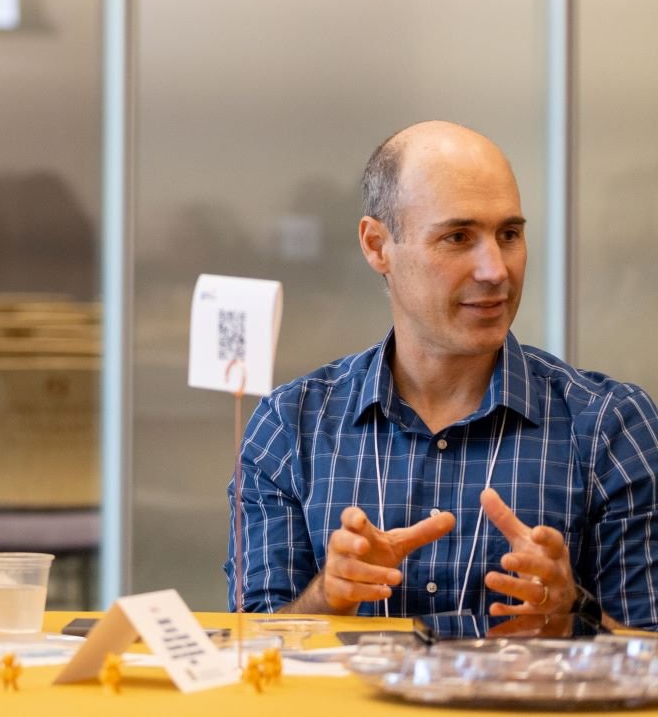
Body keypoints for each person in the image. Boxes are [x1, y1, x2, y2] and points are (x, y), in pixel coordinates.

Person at [228, 121, 658, 628]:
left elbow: (647, 657)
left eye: (509, 234)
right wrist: (329, 596)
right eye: (458, 236)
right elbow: (250, 649)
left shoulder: (610, 426)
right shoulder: (290, 426)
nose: (495, 269)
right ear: (377, 245)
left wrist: (573, 611)